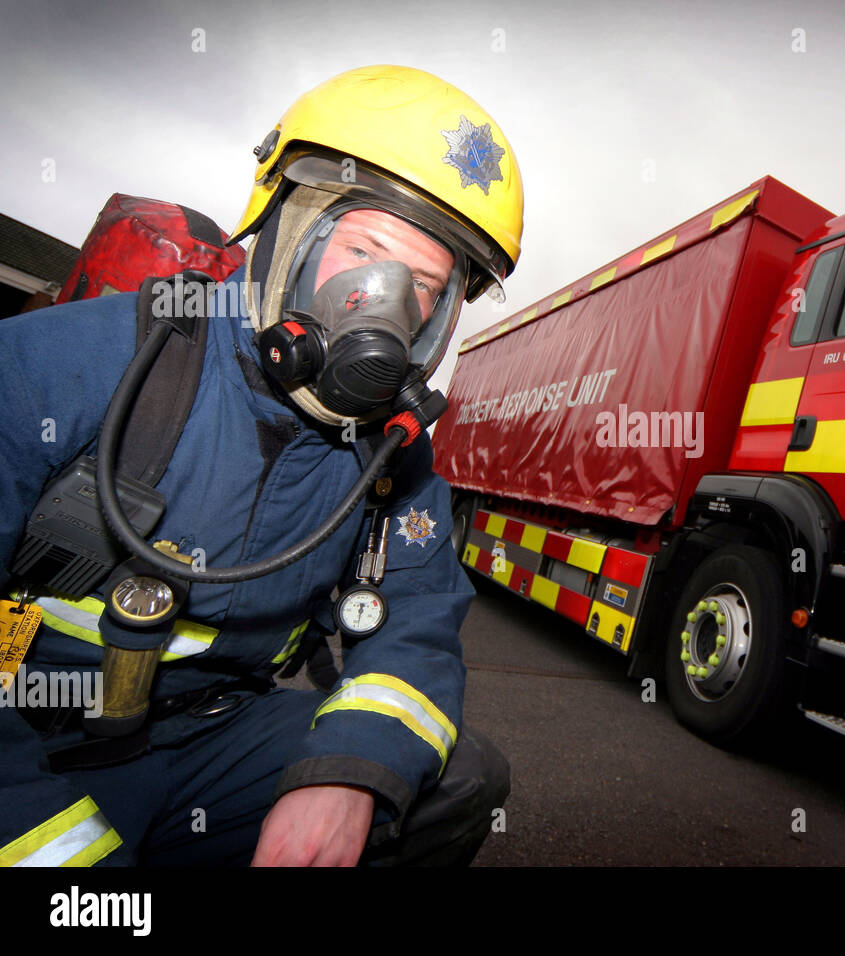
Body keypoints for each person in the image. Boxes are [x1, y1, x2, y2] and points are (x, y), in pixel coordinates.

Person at [0, 64, 522, 866]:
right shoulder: (68, 362)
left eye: (421, 284)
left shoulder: (392, 454)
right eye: (364, 250)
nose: (384, 302)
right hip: (33, 742)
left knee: (455, 781)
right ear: (286, 233)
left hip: (213, 740)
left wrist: (352, 771)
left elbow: (414, 626)